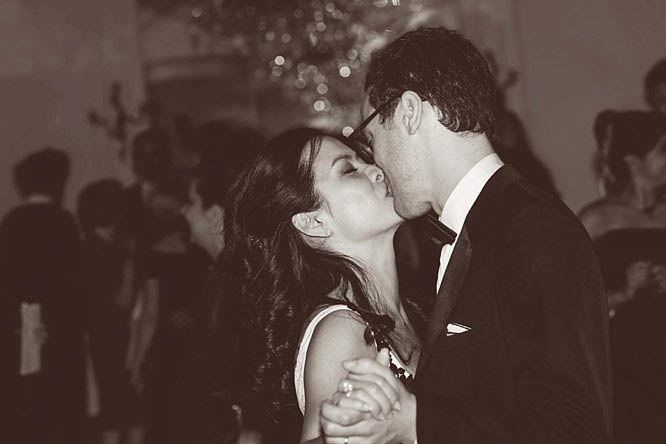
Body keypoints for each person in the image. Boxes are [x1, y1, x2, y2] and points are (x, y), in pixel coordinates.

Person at [319, 26, 612, 443]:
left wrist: (416, 423)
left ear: (408, 112)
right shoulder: (469, 231)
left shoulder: (533, 232)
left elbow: (573, 428)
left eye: (371, 137)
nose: (376, 161)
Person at [220, 127, 427, 443]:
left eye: (365, 160)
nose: (376, 169)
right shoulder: (341, 329)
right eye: (349, 170)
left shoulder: (412, 310)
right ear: (313, 222)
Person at [0, 148, 86, 443]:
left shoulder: (10, 222)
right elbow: (72, 282)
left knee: (25, 401)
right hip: (58, 328)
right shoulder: (62, 221)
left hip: (18, 325)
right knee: (58, 406)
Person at [78, 179, 144, 444]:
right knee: (123, 409)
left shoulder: (92, 246)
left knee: (117, 408)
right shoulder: (102, 251)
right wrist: (130, 260)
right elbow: (123, 301)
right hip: (113, 337)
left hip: (105, 336)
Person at [579, 111, 666, 310]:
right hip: (627, 336)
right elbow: (567, 295)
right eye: (663, 149)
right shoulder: (596, 219)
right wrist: (623, 293)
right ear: (633, 162)